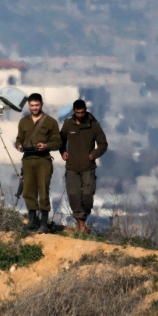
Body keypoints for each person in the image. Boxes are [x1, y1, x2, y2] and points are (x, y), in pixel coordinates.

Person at [15, 93, 62, 232]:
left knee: (43, 190)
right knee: (28, 190)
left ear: (41, 104)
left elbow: (58, 142)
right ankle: (32, 220)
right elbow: (19, 138)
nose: (34, 108)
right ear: (28, 105)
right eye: (32, 105)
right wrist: (19, 145)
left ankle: (44, 222)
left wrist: (46, 146)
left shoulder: (50, 122)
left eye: (37, 105)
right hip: (28, 159)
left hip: (43, 160)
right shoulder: (23, 122)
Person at [60, 99, 108, 234]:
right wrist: (62, 151)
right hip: (72, 167)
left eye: (82, 112)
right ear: (74, 111)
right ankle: (80, 224)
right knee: (73, 194)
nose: (80, 115)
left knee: (87, 195)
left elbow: (103, 144)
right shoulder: (68, 124)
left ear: (85, 110)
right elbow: (60, 140)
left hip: (88, 166)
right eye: (77, 112)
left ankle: (82, 221)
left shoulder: (93, 125)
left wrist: (93, 155)